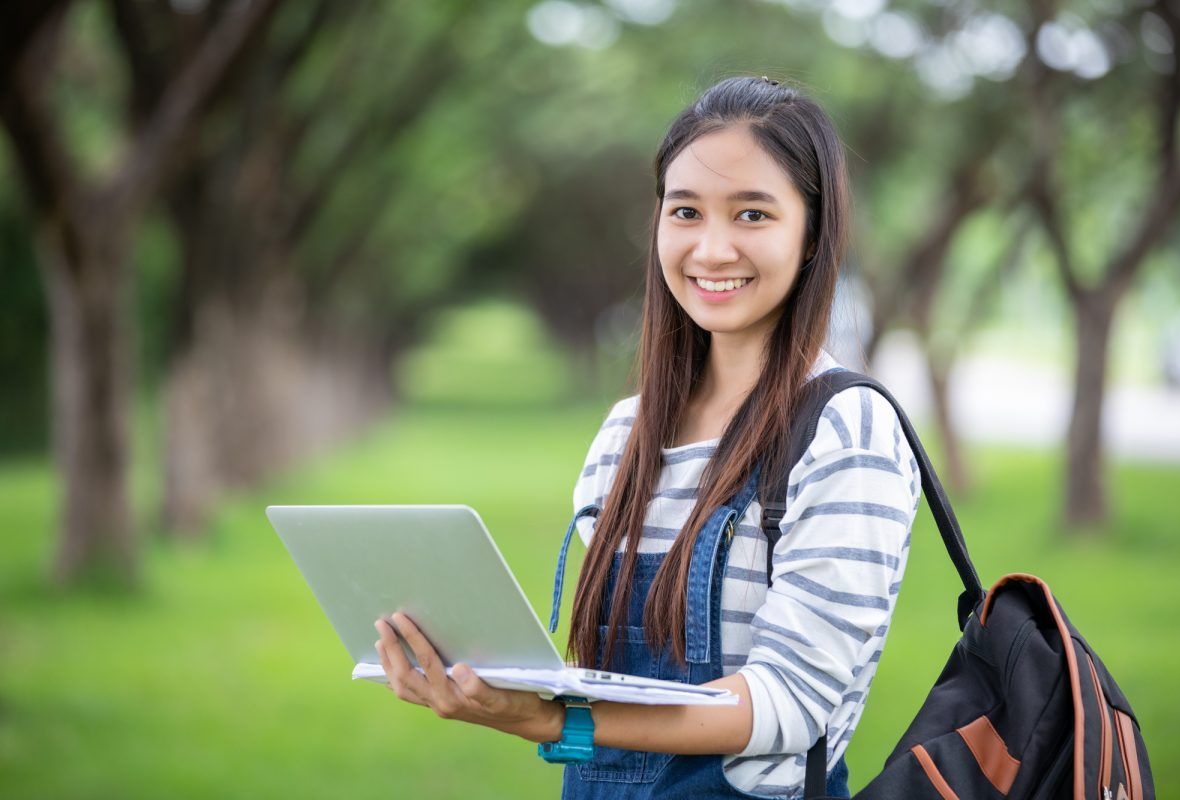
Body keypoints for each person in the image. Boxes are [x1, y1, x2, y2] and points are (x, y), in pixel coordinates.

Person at [374, 74, 922, 799]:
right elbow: (595, 675)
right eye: (686, 211)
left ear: (814, 234)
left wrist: (553, 719)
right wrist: (492, 686)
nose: (712, 248)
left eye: (753, 214)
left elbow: (788, 705)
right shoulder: (624, 432)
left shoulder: (845, 428)